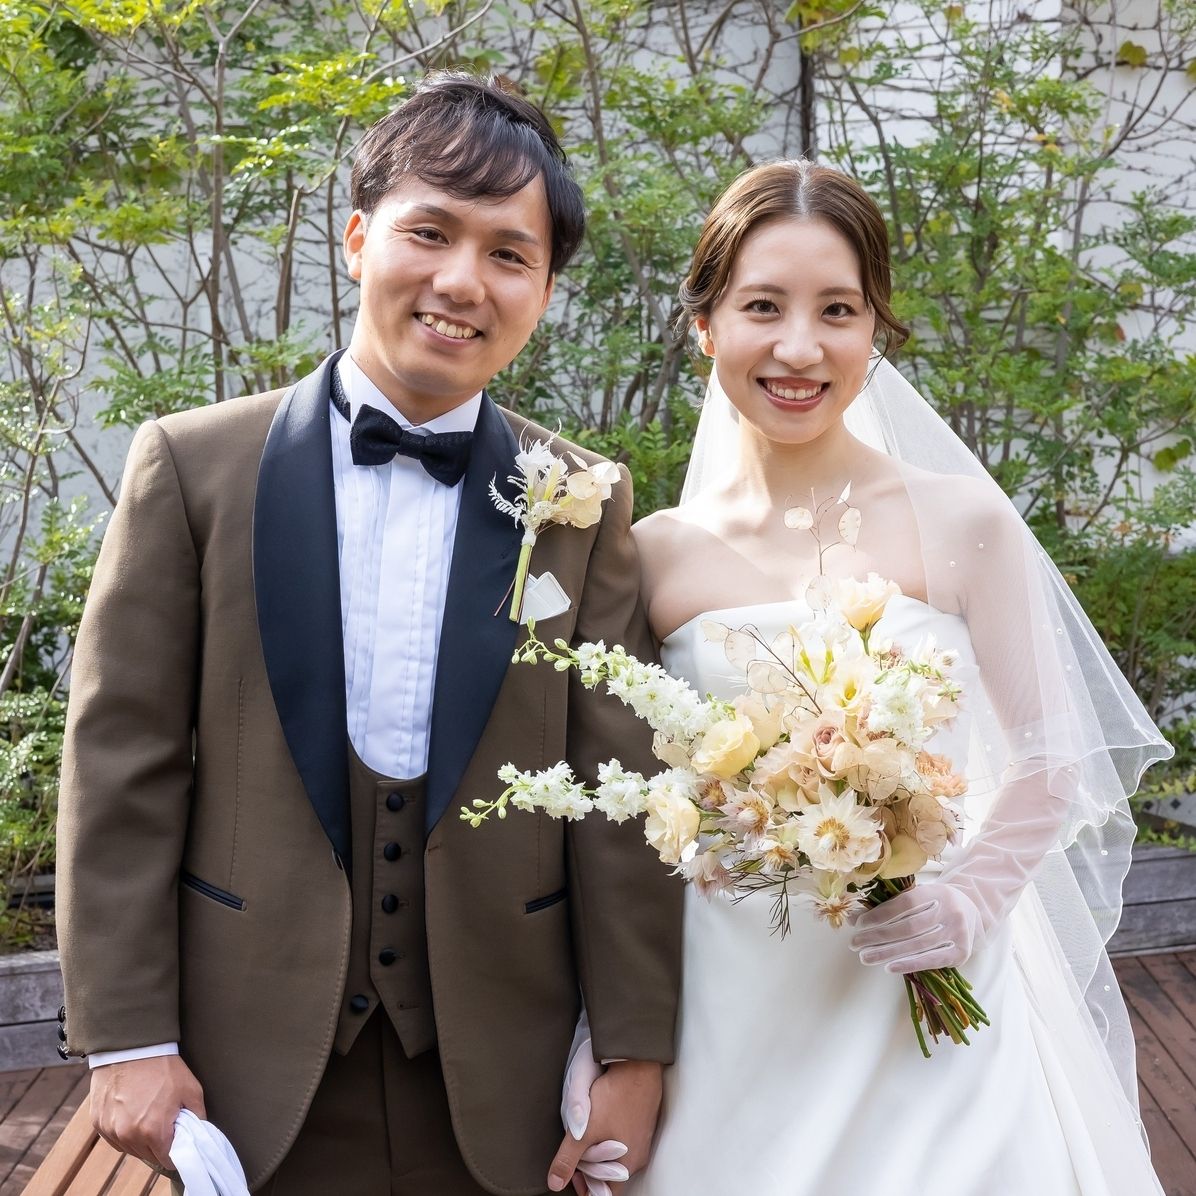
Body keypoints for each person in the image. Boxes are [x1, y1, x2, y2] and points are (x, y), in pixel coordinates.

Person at [55, 72, 681, 1196]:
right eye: (429, 232)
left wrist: (632, 1049)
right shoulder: (192, 469)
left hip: (507, 1072)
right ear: (357, 240)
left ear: (543, 290)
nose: (462, 281)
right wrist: (126, 1037)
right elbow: (120, 765)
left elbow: (616, 797)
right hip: (247, 1070)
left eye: (508, 253)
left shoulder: (580, 501)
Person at [624, 160, 1170, 1194]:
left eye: (837, 309)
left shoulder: (961, 519)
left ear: (874, 326)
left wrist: (966, 902)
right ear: (705, 325)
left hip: (923, 984)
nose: (799, 347)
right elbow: (630, 818)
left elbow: (1052, 754)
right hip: (728, 1008)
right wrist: (606, 1038)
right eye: (761, 307)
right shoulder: (652, 553)